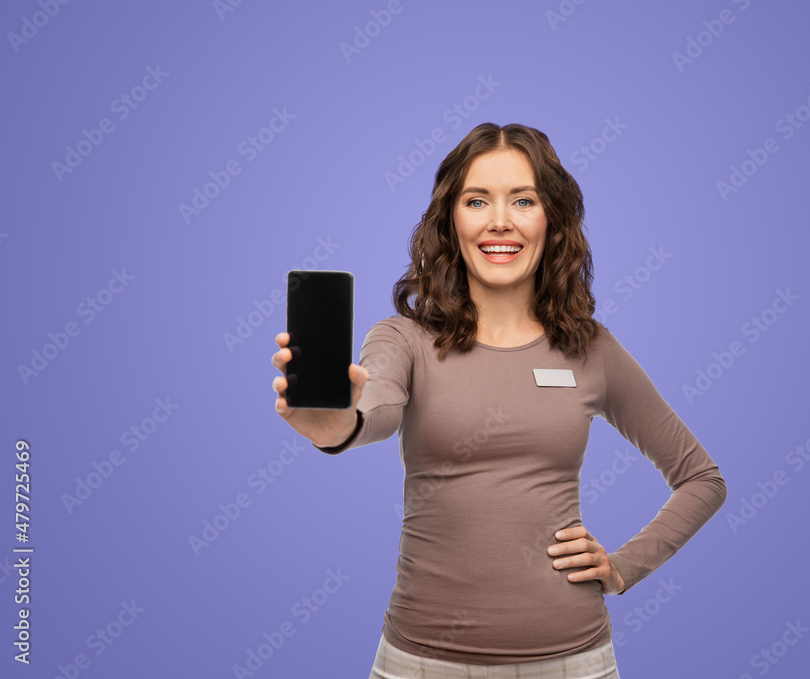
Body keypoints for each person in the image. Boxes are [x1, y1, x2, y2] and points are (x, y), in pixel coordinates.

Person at [271, 122, 727, 678]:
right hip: (420, 663)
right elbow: (379, 408)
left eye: (524, 200)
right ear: (451, 220)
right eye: (477, 200)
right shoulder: (404, 338)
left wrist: (624, 566)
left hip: (574, 663)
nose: (499, 221)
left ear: (551, 219)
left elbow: (702, 479)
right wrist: (338, 423)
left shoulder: (591, 348)